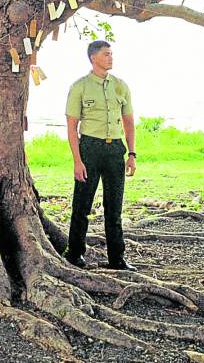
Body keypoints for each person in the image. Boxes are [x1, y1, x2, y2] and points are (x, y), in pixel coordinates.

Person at [64, 40, 137, 271]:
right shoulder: (80, 87)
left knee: (114, 207)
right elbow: (72, 127)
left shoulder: (121, 86)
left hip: (115, 150)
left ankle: (117, 258)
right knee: (82, 205)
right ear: (94, 58)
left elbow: (129, 123)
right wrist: (77, 161)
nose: (111, 58)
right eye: (107, 54)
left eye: (111, 54)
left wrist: (132, 154)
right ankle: (74, 254)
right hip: (90, 150)